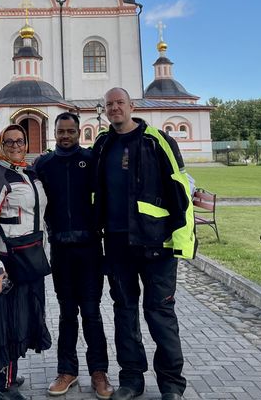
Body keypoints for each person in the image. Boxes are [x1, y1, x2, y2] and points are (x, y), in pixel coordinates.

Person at [92, 88, 196, 400]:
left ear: (132, 106)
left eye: (119, 103)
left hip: (156, 245)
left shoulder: (156, 140)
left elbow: (180, 188)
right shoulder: (102, 144)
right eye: (109, 104)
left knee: (160, 314)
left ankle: (171, 385)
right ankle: (132, 380)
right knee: (125, 313)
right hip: (118, 244)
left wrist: (181, 242)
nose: (114, 108)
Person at [34, 113, 113, 399]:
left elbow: (107, 195)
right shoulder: (43, 164)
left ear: (79, 132)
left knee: (91, 313)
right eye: (61, 131)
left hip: (90, 248)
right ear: (53, 132)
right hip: (60, 250)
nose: (65, 136)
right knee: (67, 314)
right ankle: (67, 370)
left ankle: (99, 372)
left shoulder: (91, 160)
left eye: (70, 131)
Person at [0, 124, 52, 400]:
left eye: (20, 140)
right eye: (8, 141)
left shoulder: (29, 173)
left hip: (31, 257)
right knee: (7, 320)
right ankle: (4, 384)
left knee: (22, 318)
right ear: (0, 143)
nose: (15, 145)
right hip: (9, 260)